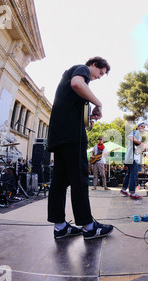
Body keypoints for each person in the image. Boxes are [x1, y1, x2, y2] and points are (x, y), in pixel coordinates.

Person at [47, 56, 113, 240]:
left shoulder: (77, 84)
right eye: (100, 72)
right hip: (71, 136)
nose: (99, 77)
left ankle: (60, 226)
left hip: (59, 135)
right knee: (80, 178)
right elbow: (77, 84)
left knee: (59, 180)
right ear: (93, 65)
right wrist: (99, 103)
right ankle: (89, 226)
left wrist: (90, 117)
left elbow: (82, 119)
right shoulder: (80, 70)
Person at [120, 122, 147, 200]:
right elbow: (130, 138)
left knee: (129, 173)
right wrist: (142, 144)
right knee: (133, 174)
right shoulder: (136, 132)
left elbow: (137, 147)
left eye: (144, 127)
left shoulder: (139, 135)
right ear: (138, 127)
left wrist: (143, 149)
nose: (143, 128)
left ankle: (123, 189)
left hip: (133, 157)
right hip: (133, 158)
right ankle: (132, 192)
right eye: (141, 126)